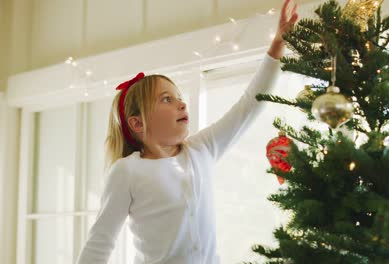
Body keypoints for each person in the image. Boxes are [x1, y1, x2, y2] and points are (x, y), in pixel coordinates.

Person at [76, 0, 298, 263]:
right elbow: (99, 245)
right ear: (137, 123)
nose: (181, 103)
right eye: (166, 99)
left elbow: (249, 105)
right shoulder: (127, 171)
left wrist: (277, 46)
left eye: (179, 97)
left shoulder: (201, 149)